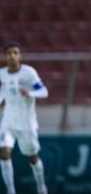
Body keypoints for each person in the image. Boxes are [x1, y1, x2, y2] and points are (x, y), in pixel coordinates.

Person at [0, 42, 49, 194]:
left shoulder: (29, 73)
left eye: (15, 53)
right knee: (4, 152)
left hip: (26, 123)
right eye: (9, 53)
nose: (12, 56)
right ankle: (11, 190)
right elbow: (4, 89)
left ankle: (41, 187)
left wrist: (30, 93)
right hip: (8, 120)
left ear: (20, 56)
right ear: (5, 56)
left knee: (32, 157)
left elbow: (44, 91)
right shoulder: (2, 73)